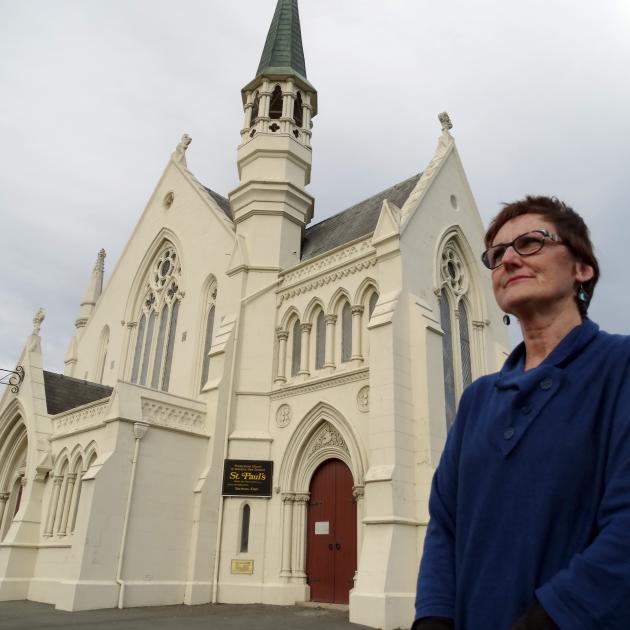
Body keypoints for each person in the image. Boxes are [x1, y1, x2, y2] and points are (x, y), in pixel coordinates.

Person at [412, 196, 630, 629]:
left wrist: (551, 616)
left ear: (581, 269)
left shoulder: (619, 367)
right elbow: (445, 526)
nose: (508, 260)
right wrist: (432, 617)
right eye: (495, 255)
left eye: (531, 242)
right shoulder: (476, 401)